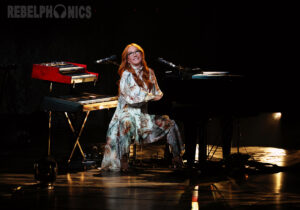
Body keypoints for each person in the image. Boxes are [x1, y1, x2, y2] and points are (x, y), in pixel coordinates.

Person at [99, 43, 184, 172]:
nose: (134, 54)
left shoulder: (150, 72)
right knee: (125, 123)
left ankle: (177, 158)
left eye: (137, 51)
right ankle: (124, 160)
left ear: (142, 54)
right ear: (127, 59)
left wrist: (153, 96)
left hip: (142, 115)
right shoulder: (126, 75)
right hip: (126, 113)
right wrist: (149, 96)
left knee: (170, 124)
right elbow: (131, 98)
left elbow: (158, 94)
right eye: (131, 53)